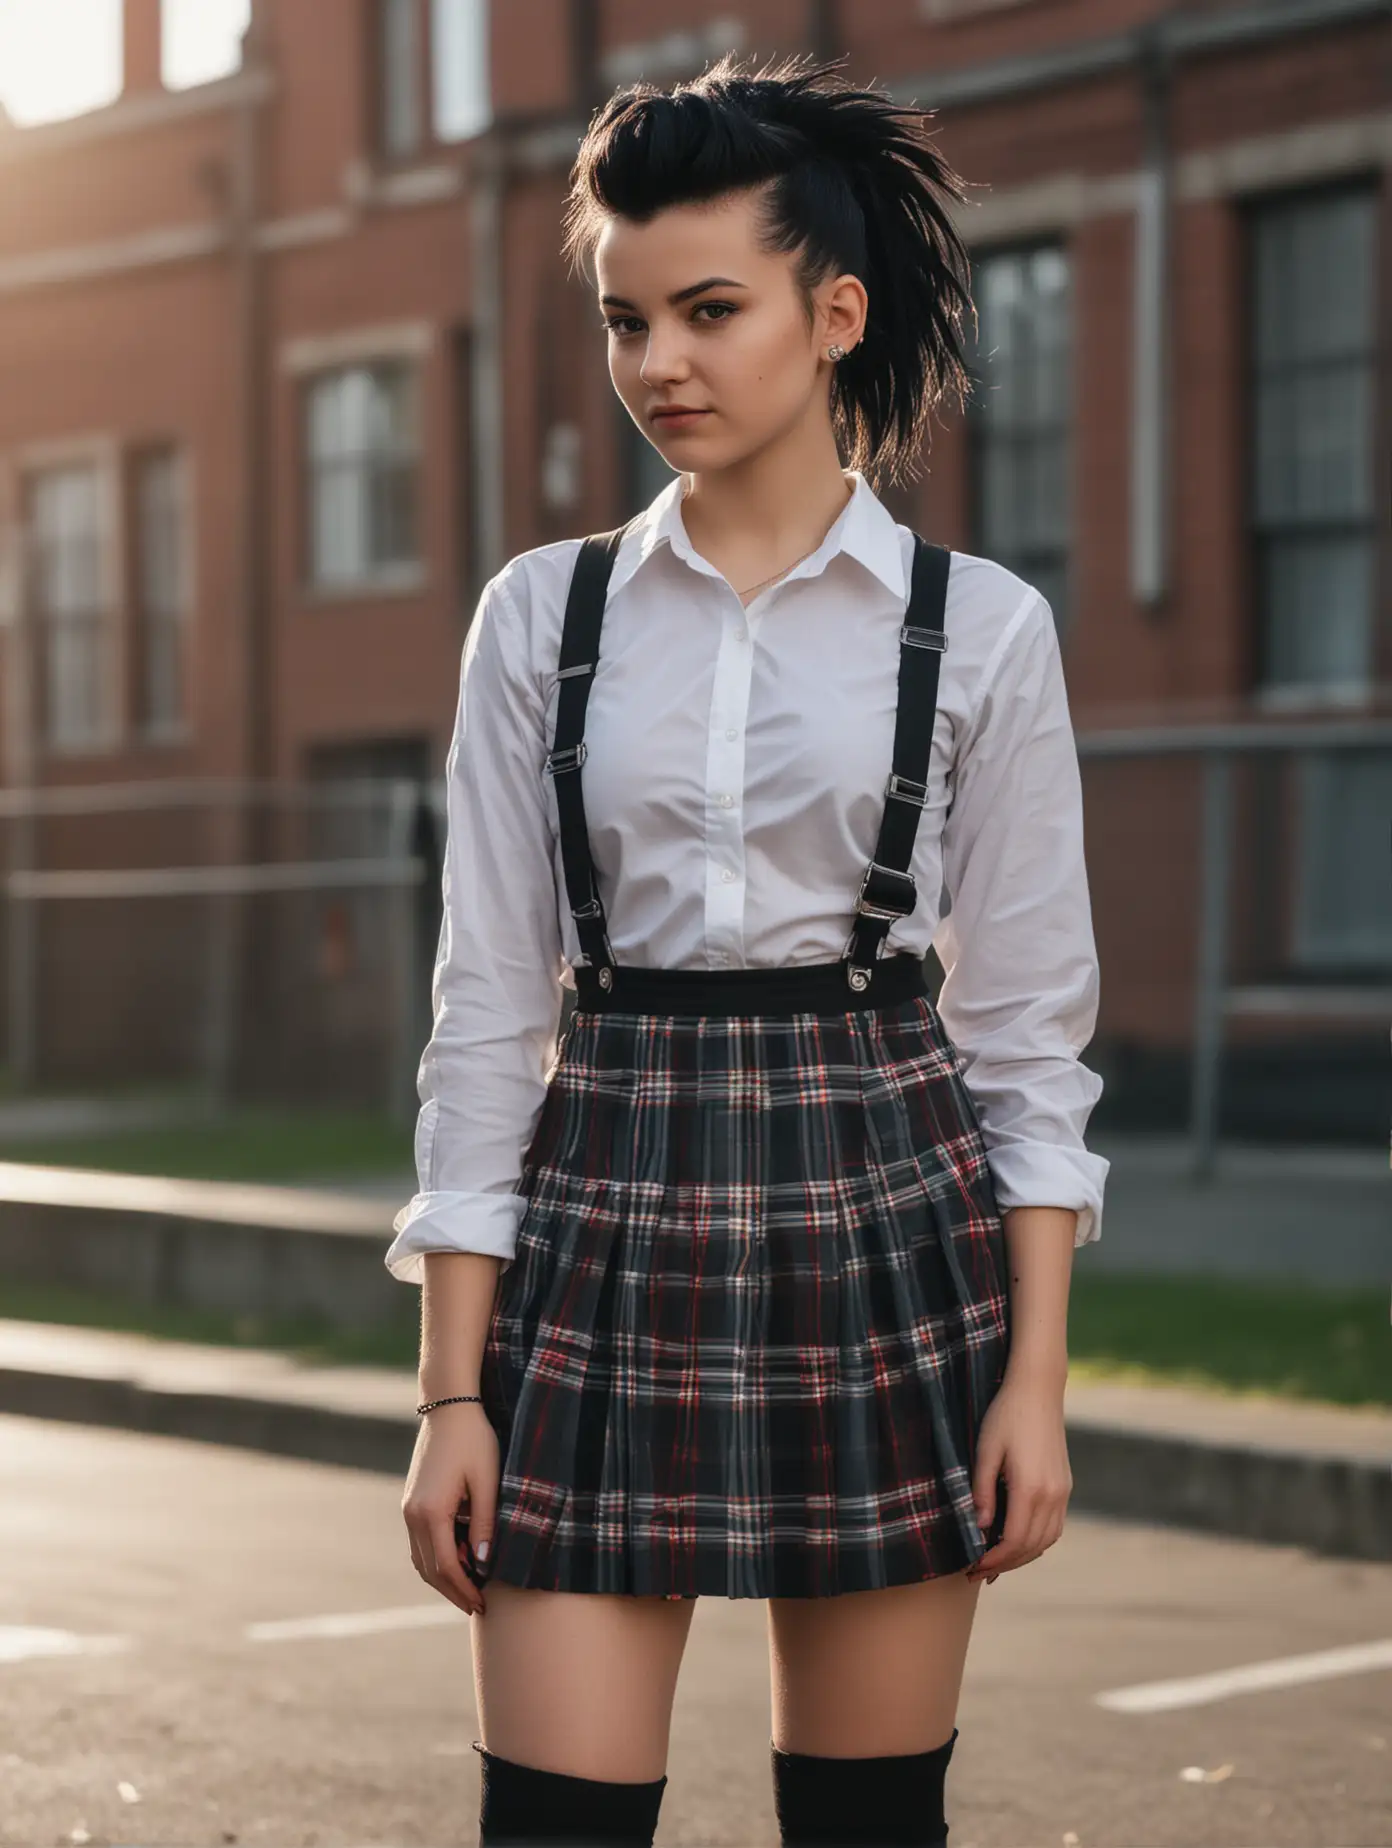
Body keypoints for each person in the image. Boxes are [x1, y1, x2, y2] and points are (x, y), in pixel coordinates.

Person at [387, 50, 1109, 1848]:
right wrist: (449, 1396)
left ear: (836, 311)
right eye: (629, 320)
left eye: (711, 311)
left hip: (885, 1213)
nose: (660, 367)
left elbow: (1025, 1045)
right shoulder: (536, 619)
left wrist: (1035, 1382)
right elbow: (486, 1009)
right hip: (600, 1216)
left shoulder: (987, 633)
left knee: (866, 1830)